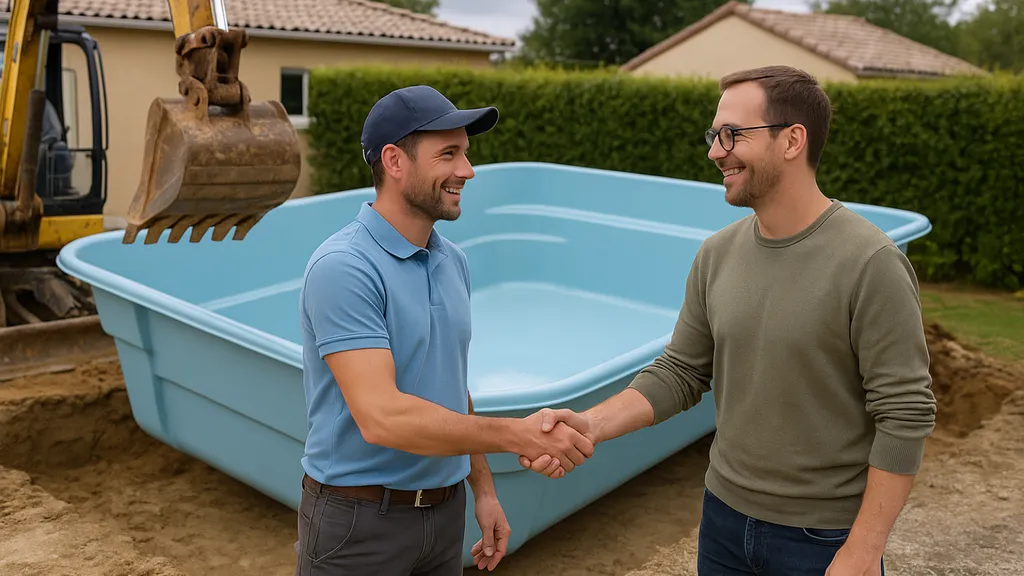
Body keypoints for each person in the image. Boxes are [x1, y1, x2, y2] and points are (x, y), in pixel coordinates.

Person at [520, 65, 937, 576]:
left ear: (792, 140)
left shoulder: (870, 262)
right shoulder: (717, 253)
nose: (716, 151)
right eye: (714, 135)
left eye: (732, 135)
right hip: (723, 521)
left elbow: (905, 412)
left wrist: (863, 549)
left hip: (821, 537)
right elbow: (681, 371)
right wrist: (590, 424)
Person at [295, 85, 594, 576]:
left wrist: (484, 490)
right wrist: (518, 436)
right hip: (358, 523)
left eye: (466, 154)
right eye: (449, 154)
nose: (467, 171)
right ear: (394, 161)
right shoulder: (344, 268)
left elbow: (453, 387)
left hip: (444, 515)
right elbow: (382, 417)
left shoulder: (452, 260)